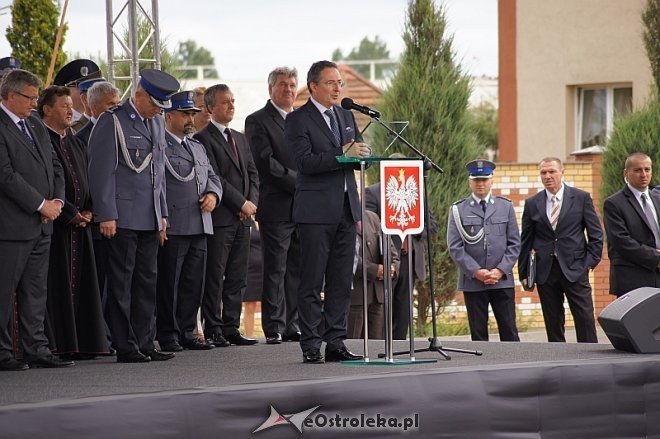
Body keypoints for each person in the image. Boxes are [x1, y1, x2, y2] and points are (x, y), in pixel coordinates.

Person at [88, 69, 179, 363]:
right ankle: (126, 345)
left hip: (149, 216)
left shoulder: (154, 123)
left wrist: (162, 213)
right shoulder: (112, 121)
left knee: (146, 282)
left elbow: (159, 175)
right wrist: (106, 214)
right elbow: (101, 171)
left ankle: (145, 341)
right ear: (138, 95)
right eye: (154, 104)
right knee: (121, 283)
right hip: (122, 215)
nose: (157, 111)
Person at [285, 60, 371, 363]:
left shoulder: (346, 114)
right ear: (314, 87)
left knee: (340, 281)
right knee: (312, 281)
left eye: (340, 83)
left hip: (348, 210)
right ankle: (310, 344)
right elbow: (304, 163)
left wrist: (366, 155)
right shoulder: (298, 120)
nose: (338, 88)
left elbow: (359, 151)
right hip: (315, 212)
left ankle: (336, 341)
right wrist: (342, 154)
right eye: (331, 83)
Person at [0, 69, 73, 370]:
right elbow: (5, 175)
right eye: (30, 98)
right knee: (4, 292)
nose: (34, 104)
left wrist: (57, 200)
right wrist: (40, 204)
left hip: (44, 224)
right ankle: (3, 352)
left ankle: (37, 348)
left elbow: (54, 165)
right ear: (11, 95)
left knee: (35, 291)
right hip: (12, 226)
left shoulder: (35, 125)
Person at [38, 86, 108, 358]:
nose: (70, 110)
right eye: (64, 105)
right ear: (47, 109)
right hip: (57, 226)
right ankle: (61, 344)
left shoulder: (75, 141)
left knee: (84, 285)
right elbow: (48, 183)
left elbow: (88, 178)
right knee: (57, 286)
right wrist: (70, 213)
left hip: (82, 225)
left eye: (71, 105)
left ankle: (83, 343)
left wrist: (89, 210)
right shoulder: (41, 138)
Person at [194, 84, 260, 347]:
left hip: (244, 219)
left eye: (232, 101)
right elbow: (215, 177)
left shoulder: (240, 138)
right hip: (221, 217)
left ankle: (232, 326)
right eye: (224, 102)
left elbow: (253, 173)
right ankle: (214, 328)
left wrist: (252, 203)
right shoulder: (202, 139)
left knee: (237, 275)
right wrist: (240, 202)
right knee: (215, 275)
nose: (231, 106)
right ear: (210, 107)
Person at [156, 91, 222, 352]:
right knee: (170, 282)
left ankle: (187, 331)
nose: (190, 119)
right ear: (168, 116)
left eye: (192, 114)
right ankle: (168, 333)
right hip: (176, 222)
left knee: (194, 282)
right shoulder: (160, 144)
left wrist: (213, 195)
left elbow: (213, 177)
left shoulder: (196, 146)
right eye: (185, 114)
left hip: (201, 222)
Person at [245, 66, 302, 345]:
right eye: (282, 84)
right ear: (271, 89)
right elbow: (266, 163)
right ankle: (274, 326)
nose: (288, 89)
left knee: (296, 269)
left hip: (303, 208)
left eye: (292, 84)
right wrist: (300, 183)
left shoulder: (300, 120)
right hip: (277, 207)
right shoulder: (257, 120)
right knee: (276, 268)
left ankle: (292, 324)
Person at [518, 157, 603, 343]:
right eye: (543, 173)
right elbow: (526, 240)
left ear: (562, 172)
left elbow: (596, 235)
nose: (548, 176)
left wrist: (588, 263)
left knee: (584, 318)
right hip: (546, 271)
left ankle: (590, 358)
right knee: (553, 320)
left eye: (552, 172)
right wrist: (524, 273)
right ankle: (559, 360)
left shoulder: (581, 198)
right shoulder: (532, 203)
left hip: (575, 268)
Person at [364, 154, 438, 340]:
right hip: (386, 260)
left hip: (410, 260)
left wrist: (415, 228)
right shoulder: (372, 193)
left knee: (403, 311)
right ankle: (382, 350)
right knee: (383, 309)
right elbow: (370, 227)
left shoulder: (416, 193)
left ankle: (401, 347)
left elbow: (432, 224)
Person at [447, 160, 521, 342]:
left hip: (502, 280)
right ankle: (482, 369)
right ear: (469, 181)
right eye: (477, 179)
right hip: (473, 281)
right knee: (478, 334)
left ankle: (513, 367)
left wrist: (500, 270)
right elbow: (455, 246)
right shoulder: (458, 209)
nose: (481, 184)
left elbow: (514, 243)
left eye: (484, 180)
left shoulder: (505, 206)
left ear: (491, 181)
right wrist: (476, 271)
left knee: (509, 331)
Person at [603, 152, 660, 296]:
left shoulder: (657, 199)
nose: (643, 174)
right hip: (633, 279)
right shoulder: (614, 203)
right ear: (626, 172)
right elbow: (621, 242)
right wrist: (655, 258)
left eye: (647, 169)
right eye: (637, 170)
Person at [347, 210, 399, 340]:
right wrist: (375, 270)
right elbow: (346, 257)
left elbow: (392, 251)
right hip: (355, 296)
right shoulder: (338, 217)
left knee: (376, 346)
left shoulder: (373, 217)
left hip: (377, 295)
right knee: (353, 343)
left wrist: (392, 268)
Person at [52, 59, 101, 132]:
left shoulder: (102, 118)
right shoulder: (59, 121)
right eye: (84, 87)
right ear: (67, 90)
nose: (90, 91)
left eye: (94, 86)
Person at [74, 80, 121, 145]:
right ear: (94, 107)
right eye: (111, 104)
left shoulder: (123, 130)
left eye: (118, 103)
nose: (117, 108)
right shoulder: (80, 139)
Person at [243, 220, 264, 337]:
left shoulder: (266, 222)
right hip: (249, 269)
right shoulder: (247, 222)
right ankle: (249, 336)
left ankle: (271, 334)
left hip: (266, 269)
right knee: (249, 305)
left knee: (269, 303)